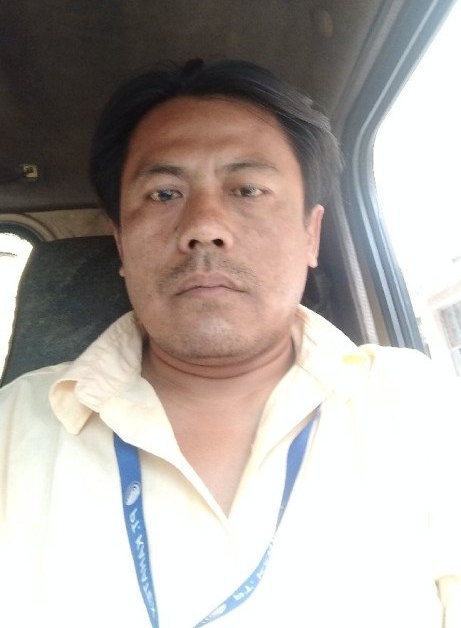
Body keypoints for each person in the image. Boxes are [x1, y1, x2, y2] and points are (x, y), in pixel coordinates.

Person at [0, 58, 460, 628]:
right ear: (120, 244)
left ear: (310, 234)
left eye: (247, 189)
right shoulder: (13, 427)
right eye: (164, 193)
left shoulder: (420, 405)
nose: (204, 227)